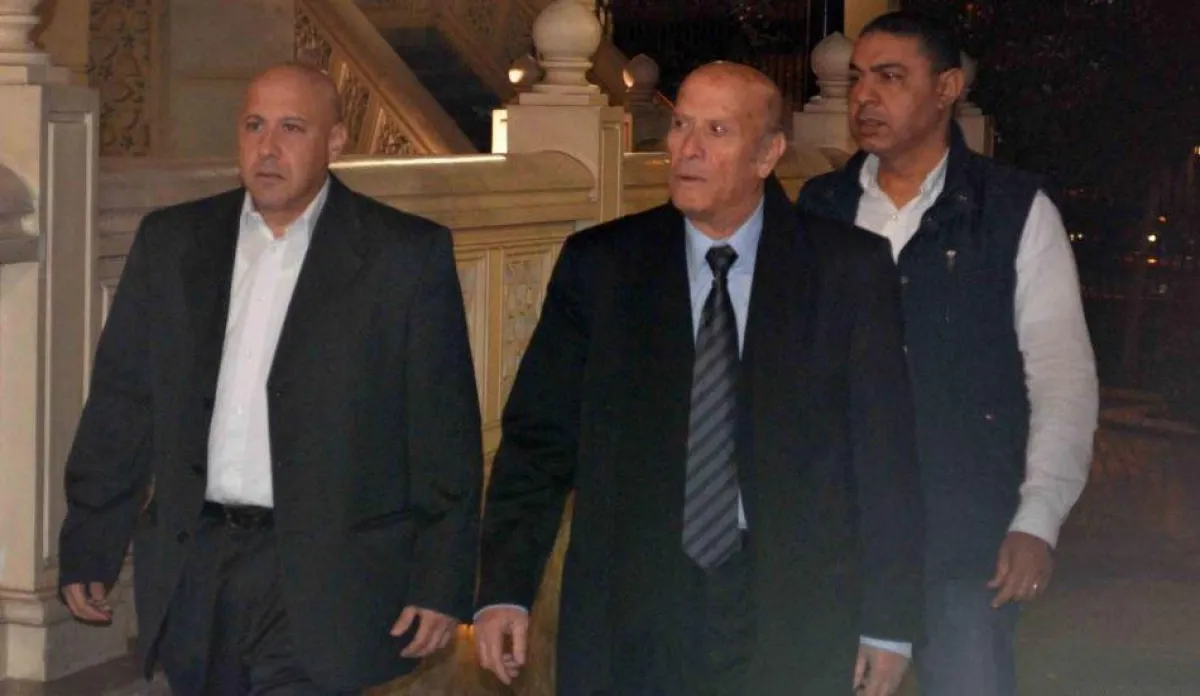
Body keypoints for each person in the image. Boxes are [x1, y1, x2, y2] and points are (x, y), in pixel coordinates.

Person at [473, 62, 924, 696]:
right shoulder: (603, 267)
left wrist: (889, 623)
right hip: (632, 605)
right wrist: (504, 589)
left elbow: (884, 455)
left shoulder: (845, 271)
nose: (687, 148)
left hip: (792, 604)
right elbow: (538, 441)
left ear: (767, 154)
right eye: (682, 124)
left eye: (717, 130)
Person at [57, 62, 483, 695]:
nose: (267, 147)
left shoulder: (402, 256)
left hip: (324, 572)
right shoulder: (174, 242)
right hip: (196, 562)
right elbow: (122, 402)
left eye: (292, 128)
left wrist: (440, 580)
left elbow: (443, 431)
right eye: (254, 125)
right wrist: (91, 539)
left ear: (335, 141)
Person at [796, 12, 1100, 696]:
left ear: (947, 88)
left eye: (890, 77)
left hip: (966, 536)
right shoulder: (822, 206)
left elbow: (1061, 376)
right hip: (840, 532)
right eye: (858, 79)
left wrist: (1037, 519)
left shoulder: (1013, 209)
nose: (865, 97)